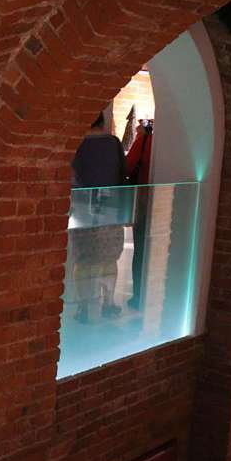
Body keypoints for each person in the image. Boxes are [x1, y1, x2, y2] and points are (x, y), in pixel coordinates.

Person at [69, 112, 127, 323]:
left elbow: (72, 178)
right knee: (110, 258)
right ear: (102, 121)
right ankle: (108, 303)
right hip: (111, 210)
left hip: (82, 211)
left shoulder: (76, 145)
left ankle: (83, 307)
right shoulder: (114, 143)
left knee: (83, 260)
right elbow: (123, 175)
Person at [125, 121, 153, 311]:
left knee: (141, 250)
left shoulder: (143, 141)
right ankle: (155, 297)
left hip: (143, 202)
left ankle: (138, 296)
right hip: (166, 203)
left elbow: (127, 167)